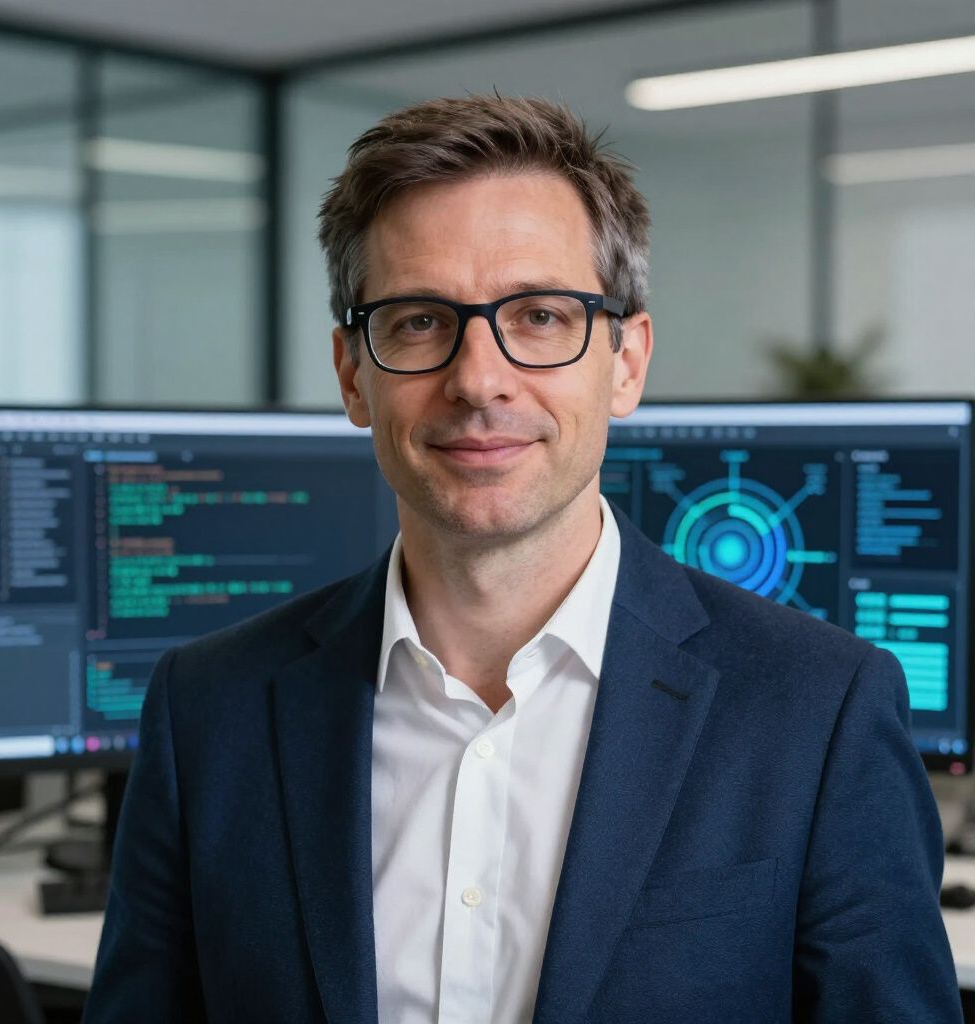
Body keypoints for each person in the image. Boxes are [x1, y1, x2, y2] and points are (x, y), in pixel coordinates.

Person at [83, 96, 961, 1023]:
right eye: (420, 321)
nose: (478, 378)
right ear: (351, 373)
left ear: (626, 362)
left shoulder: (819, 709)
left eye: (540, 315)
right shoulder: (208, 709)